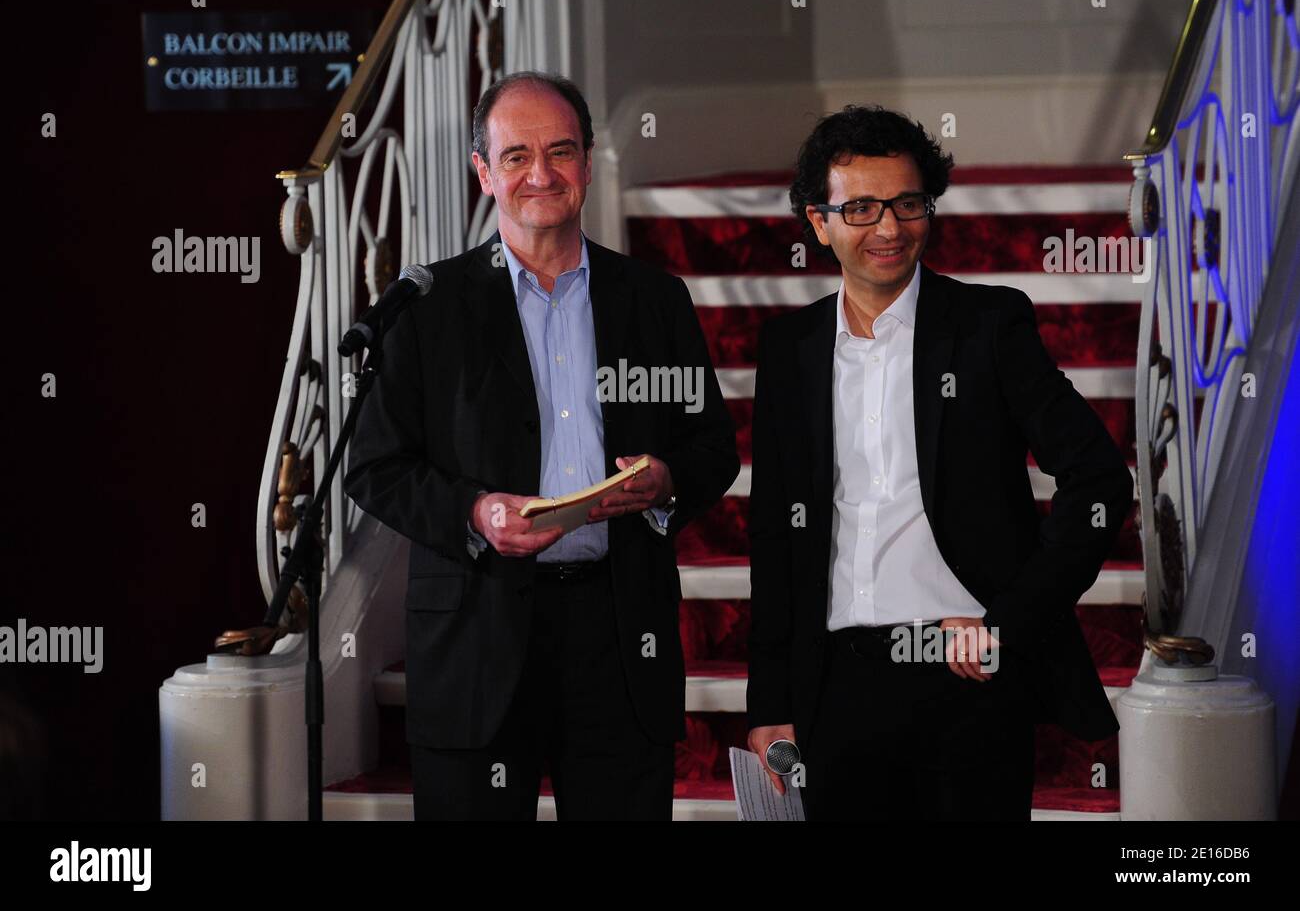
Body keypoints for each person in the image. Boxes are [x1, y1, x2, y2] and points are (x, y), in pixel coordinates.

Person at [344, 71, 739, 820]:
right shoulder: (425, 308)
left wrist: (664, 479)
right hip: (477, 633)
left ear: (588, 165)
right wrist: (475, 510)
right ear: (484, 172)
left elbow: (712, 445)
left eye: (561, 152)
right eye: (517, 155)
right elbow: (374, 464)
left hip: (618, 636)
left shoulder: (654, 300)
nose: (542, 174)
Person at [745, 105, 1132, 820]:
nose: (890, 228)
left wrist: (1006, 620)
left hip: (966, 681)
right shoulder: (789, 348)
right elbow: (775, 532)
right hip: (836, 687)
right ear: (817, 220)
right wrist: (770, 701)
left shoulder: (988, 328)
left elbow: (1100, 480)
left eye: (908, 203)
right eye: (861, 207)